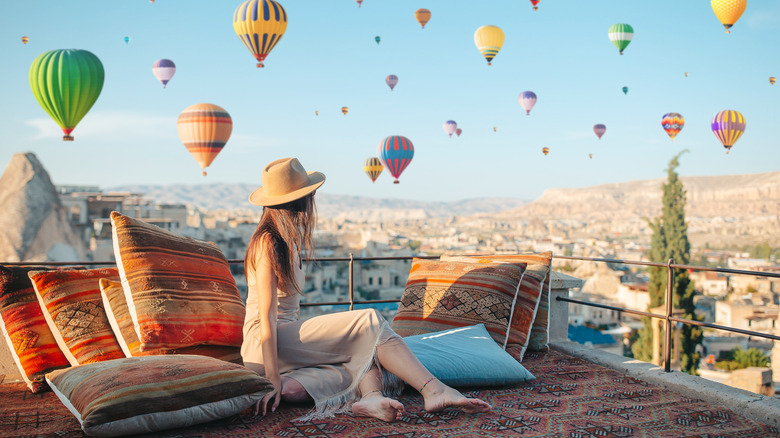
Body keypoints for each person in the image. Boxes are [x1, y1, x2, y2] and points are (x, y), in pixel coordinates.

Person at [242, 157, 492, 422]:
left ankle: (370, 398)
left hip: (286, 343)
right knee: (369, 321)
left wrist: (281, 383)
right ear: (298, 199)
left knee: (355, 355)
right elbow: (267, 319)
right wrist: (272, 379)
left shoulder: (286, 240)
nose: (313, 197)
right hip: (265, 344)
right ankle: (433, 389)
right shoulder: (268, 242)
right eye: (310, 192)